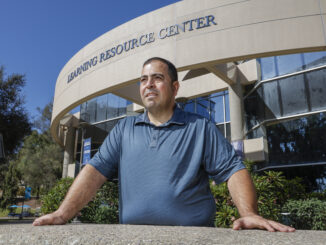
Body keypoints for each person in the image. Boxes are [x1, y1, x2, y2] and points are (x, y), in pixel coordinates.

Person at [33, 57, 294, 232]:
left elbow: (233, 170)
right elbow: (93, 172)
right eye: (144, 80)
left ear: (174, 86)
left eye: (157, 78)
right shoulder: (124, 128)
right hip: (134, 238)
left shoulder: (199, 127)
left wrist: (249, 213)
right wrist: (62, 214)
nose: (148, 85)